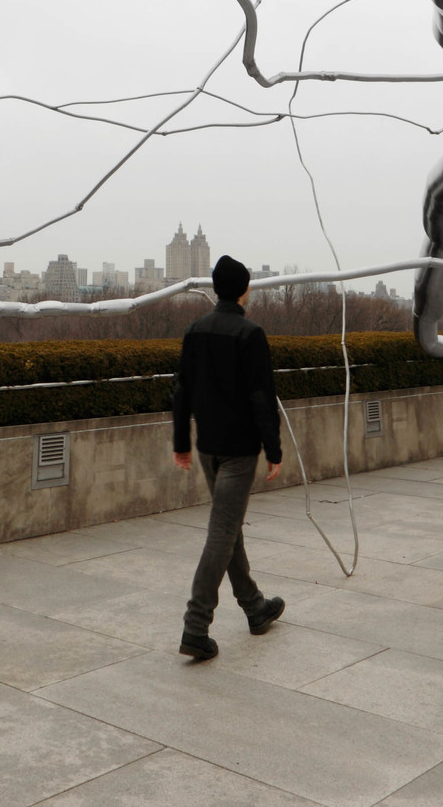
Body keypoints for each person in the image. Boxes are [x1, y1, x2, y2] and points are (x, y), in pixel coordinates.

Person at [169, 254, 286, 659]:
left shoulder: (195, 330)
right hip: (239, 450)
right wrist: (274, 449)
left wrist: (181, 441)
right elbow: (261, 398)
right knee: (222, 532)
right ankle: (195, 627)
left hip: (207, 447)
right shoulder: (250, 334)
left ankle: (255, 607)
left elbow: (181, 390)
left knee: (228, 525)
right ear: (242, 289)